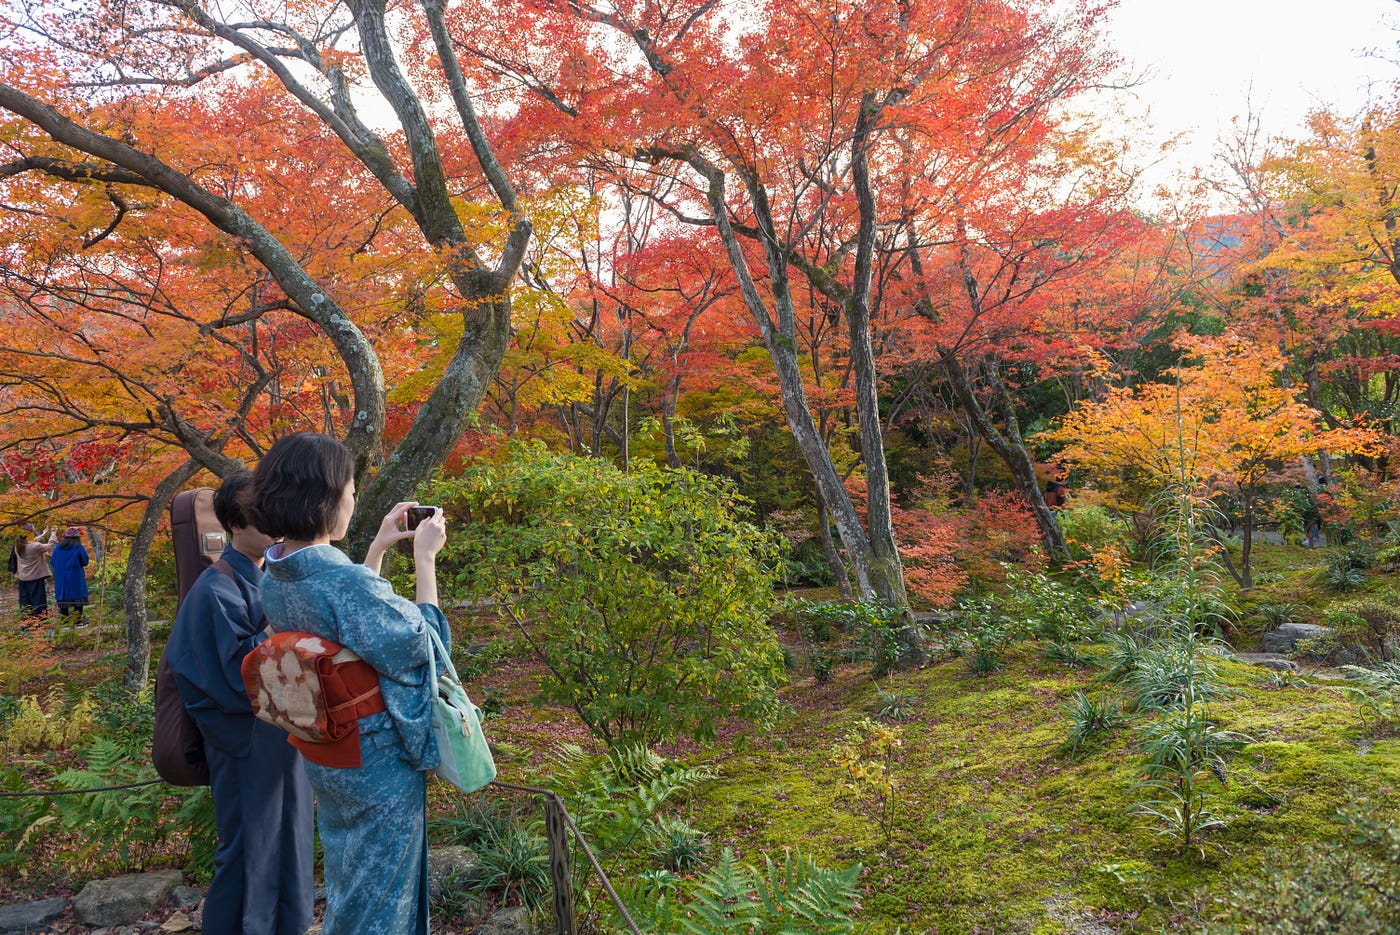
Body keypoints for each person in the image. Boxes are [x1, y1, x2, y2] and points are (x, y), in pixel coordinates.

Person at [248, 432, 449, 935]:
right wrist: (425, 560)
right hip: (375, 757)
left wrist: (378, 546)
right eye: (351, 490)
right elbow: (422, 647)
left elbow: (348, 621)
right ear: (323, 499)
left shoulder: (276, 570)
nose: (354, 499)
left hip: (326, 747)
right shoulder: (342, 582)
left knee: (351, 875)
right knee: (383, 891)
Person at [165, 471, 314, 935]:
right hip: (245, 742)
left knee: (292, 842)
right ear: (234, 524)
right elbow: (232, 673)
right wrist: (279, 625)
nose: (273, 524)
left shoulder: (269, 576)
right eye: (260, 515)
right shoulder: (214, 588)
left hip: (285, 736)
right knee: (251, 849)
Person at [13, 526, 57, 619]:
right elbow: (51, 546)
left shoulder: (18, 545)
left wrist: (43, 534)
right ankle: (40, 624)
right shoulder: (34, 547)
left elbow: (32, 542)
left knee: (25, 603)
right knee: (38, 603)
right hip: (35, 578)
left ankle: (26, 624)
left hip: (23, 578)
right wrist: (53, 534)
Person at [50, 527, 90, 628]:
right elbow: (85, 561)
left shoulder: (58, 548)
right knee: (78, 599)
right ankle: (78, 621)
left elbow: (52, 562)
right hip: (75, 577)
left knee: (63, 600)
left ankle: (65, 623)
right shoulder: (78, 547)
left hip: (61, 579)